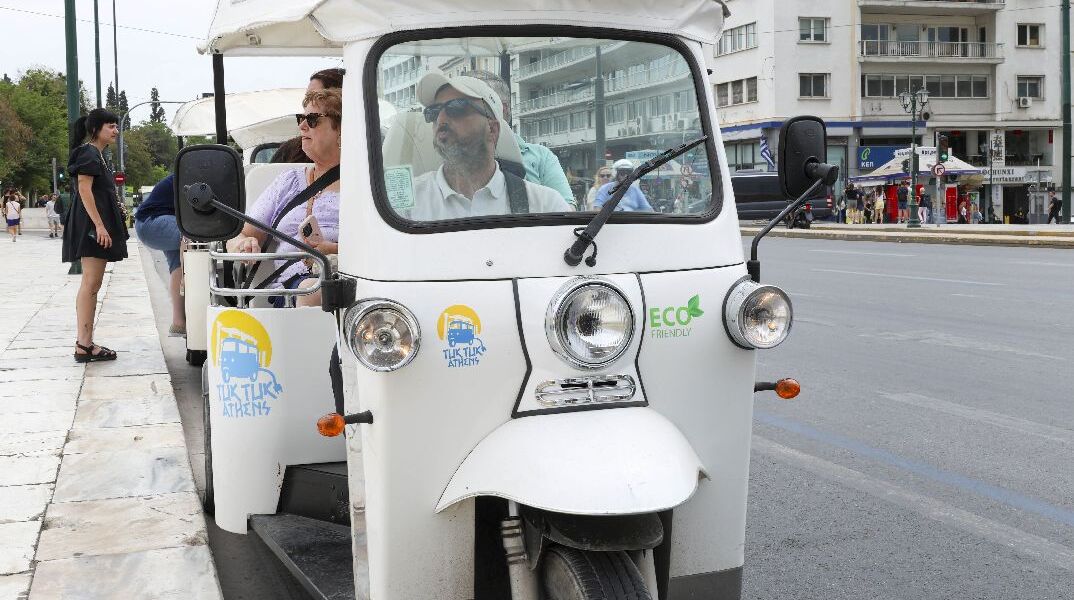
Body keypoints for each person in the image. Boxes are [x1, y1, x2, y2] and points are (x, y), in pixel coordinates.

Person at [228, 89, 343, 308]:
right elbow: (238, 235)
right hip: (295, 287)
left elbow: (386, 245)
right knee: (312, 289)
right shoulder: (288, 182)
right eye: (302, 119)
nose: (302, 126)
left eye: (312, 119)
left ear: (341, 130)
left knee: (314, 289)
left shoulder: (365, 185)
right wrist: (244, 244)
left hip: (352, 281)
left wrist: (332, 250)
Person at [408, 73, 571, 220]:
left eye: (456, 107)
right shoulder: (405, 205)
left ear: (492, 129)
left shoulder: (545, 205)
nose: (441, 119)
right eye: (434, 112)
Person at [63, 107, 129, 362]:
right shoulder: (89, 153)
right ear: (95, 130)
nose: (115, 130)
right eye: (110, 126)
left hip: (93, 223)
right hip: (91, 226)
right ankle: (84, 344)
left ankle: (86, 342)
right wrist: (100, 226)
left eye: (115, 125)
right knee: (91, 283)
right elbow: (84, 189)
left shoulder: (98, 155)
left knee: (93, 283)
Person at [462, 70, 575, 206]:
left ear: (502, 109)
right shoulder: (449, 159)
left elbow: (566, 210)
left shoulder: (542, 157)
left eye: (471, 105)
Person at [134, 175, 186, 335]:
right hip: (153, 222)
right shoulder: (191, 175)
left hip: (151, 222)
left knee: (176, 264)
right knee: (191, 237)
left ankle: (179, 323)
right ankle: (186, 280)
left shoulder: (187, 170)